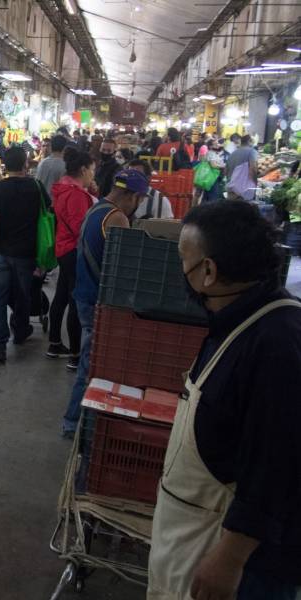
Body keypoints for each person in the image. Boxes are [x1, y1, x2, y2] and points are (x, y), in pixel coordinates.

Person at [148, 200, 301, 600]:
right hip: (195, 532)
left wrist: (231, 557)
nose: (180, 269)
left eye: (184, 258)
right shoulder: (235, 319)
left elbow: (279, 464)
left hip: (241, 562)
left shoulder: (277, 342)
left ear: (209, 272)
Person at [61, 169, 149, 437]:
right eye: (141, 199)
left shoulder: (96, 208)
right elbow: (124, 267)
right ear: (133, 196)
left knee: (91, 361)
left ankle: (76, 421)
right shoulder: (117, 217)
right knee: (90, 365)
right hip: (98, 300)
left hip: (83, 295)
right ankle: (72, 423)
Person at [0, 145, 49, 364]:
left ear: (4, 165)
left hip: (0, 252)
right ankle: (20, 332)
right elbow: (48, 214)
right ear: (25, 164)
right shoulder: (36, 187)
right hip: (26, 253)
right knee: (23, 295)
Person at [48, 148, 95, 370]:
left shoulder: (62, 189)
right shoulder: (76, 195)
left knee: (61, 296)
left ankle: (55, 343)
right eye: (92, 171)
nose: (92, 175)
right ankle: (75, 354)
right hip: (72, 250)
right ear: (84, 169)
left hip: (62, 247)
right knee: (76, 302)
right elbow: (80, 228)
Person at [225, 134, 258, 200]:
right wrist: (255, 182)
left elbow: (225, 171)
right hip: (243, 191)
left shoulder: (233, 153)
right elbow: (253, 168)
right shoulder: (252, 151)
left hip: (231, 189)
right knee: (243, 209)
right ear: (249, 141)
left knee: (231, 209)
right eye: (252, 141)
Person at [203, 138, 228, 203]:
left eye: (218, 144)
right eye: (215, 144)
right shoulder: (211, 153)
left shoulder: (214, 153)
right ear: (210, 146)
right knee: (213, 196)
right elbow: (213, 165)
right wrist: (223, 166)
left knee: (208, 196)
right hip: (212, 177)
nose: (218, 145)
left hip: (212, 177)